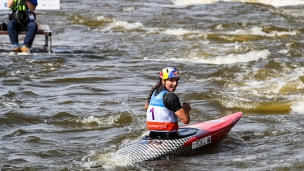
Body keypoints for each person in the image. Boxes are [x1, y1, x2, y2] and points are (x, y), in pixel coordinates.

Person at [144, 67, 191, 139]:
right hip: (169, 138)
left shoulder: (153, 93)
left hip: (152, 136)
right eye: (171, 80)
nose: (175, 83)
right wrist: (186, 109)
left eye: (176, 80)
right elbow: (186, 120)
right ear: (163, 81)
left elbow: (146, 107)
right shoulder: (171, 97)